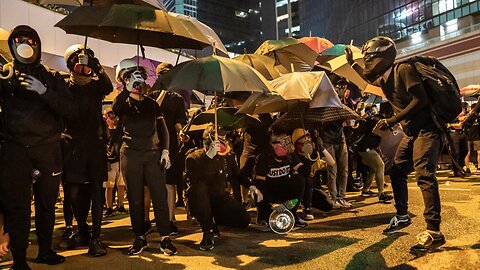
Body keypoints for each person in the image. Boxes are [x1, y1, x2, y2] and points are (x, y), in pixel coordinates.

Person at [346, 36, 445, 252]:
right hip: (412, 133)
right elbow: (367, 78)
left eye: (369, 58)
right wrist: (353, 63)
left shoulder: (403, 69)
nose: (368, 63)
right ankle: (402, 216)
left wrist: (392, 120)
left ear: (383, 57)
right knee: (398, 171)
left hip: (428, 130)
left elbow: (421, 100)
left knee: (425, 175)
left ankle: (434, 232)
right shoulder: (384, 79)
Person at [0, 25, 78, 270]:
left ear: (38, 45)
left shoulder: (50, 76)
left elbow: (71, 109)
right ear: (12, 45)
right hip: (15, 150)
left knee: (47, 202)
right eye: (20, 40)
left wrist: (44, 91)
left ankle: (45, 250)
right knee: (17, 205)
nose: (26, 44)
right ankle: (20, 260)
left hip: (47, 149)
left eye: (31, 40)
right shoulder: (5, 75)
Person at [112, 59, 177, 256]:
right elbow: (116, 109)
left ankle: (165, 238)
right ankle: (140, 237)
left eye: (138, 76)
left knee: (159, 195)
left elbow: (163, 130)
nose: (137, 81)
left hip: (152, 155)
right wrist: (127, 88)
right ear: (124, 80)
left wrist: (165, 151)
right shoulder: (123, 102)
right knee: (135, 198)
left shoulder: (151, 104)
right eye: (131, 77)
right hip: (130, 154)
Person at [61, 44, 112, 257]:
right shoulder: (65, 87)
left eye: (89, 61)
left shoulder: (95, 87)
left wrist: (97, 66)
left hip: (94, 144)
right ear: (72, 64)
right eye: (82, 61)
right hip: (72, 146)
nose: (86, 65)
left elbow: (108, 86)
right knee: (73, 192)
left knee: (96, 192)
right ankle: (82, 229)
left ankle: (96, 238)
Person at [185, 124, 261, 251]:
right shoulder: (194, 157)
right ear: (209, 140)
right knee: (200, 189)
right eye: (221, 138)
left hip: (219, 197)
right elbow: (193, 179)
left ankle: (215, 220)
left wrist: (251, 186)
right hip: (199, 201)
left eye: (225, 138)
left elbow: (237, 175)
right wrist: (208, 156)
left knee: (243, 219)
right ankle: (207, 230)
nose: (225, 142)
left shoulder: (227, 158)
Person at [151, 62, 188, 234]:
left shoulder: (178, 98)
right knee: (152, 184)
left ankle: (171, 219)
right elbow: (152, 111)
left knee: (170, 183)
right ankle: (155, 217)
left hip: (171, 145)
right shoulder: (151, 95)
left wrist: (181, 133)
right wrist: (163, 92)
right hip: (151, 144)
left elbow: (179, 121)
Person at [253, 131, 308, 228]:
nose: (287, 144)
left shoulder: (290, 155)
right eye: (283, 141)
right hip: (268, 192)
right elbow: (259, 182)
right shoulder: (264, 157)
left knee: (300, 180)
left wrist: (308, 155)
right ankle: (263, 215)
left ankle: (292, 214)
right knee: (258, 192)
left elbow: (305, 172)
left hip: (283, 190)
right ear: (274, 145)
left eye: (287, 140)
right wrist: (271, 203)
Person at [356, 105, 394, 202]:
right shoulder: (379, 120)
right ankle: (381, 194)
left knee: (374, 168)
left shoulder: (376, 118)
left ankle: (366, 189)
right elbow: (378, 133)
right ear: (388, 113)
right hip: (365, 148)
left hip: (366, 147)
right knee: (380, 165)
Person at [104, 107, 127, 216]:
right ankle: (109, 207)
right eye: (109, 115)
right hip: (110, 159)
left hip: (120, 159)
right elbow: (105, 145)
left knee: (121, 184)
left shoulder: (119, 129)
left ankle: (120, 205)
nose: (111, 117)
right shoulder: (105, 130)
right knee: (110, 185)